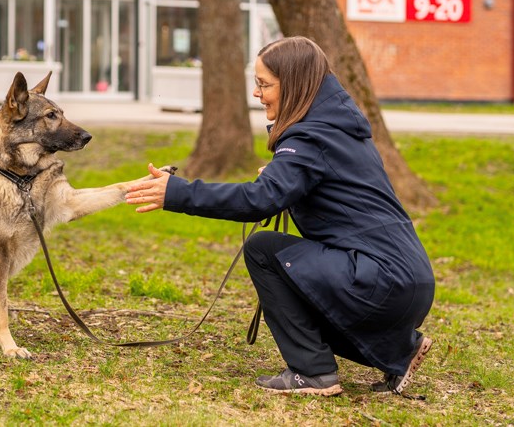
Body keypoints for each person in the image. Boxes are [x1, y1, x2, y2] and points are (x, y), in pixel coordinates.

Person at [125, 36, 435, 397]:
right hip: (407, 281)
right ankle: (400, 349)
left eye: (264, 84)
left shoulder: (310, 137)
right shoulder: (337, 127)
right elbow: (330, 190)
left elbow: (258, 201)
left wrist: (177, 192)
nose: (257, 94)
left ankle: (313, 372)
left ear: (295, 83)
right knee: (294, 272)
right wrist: (284, 181)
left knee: (263, 249)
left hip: (380, 280)